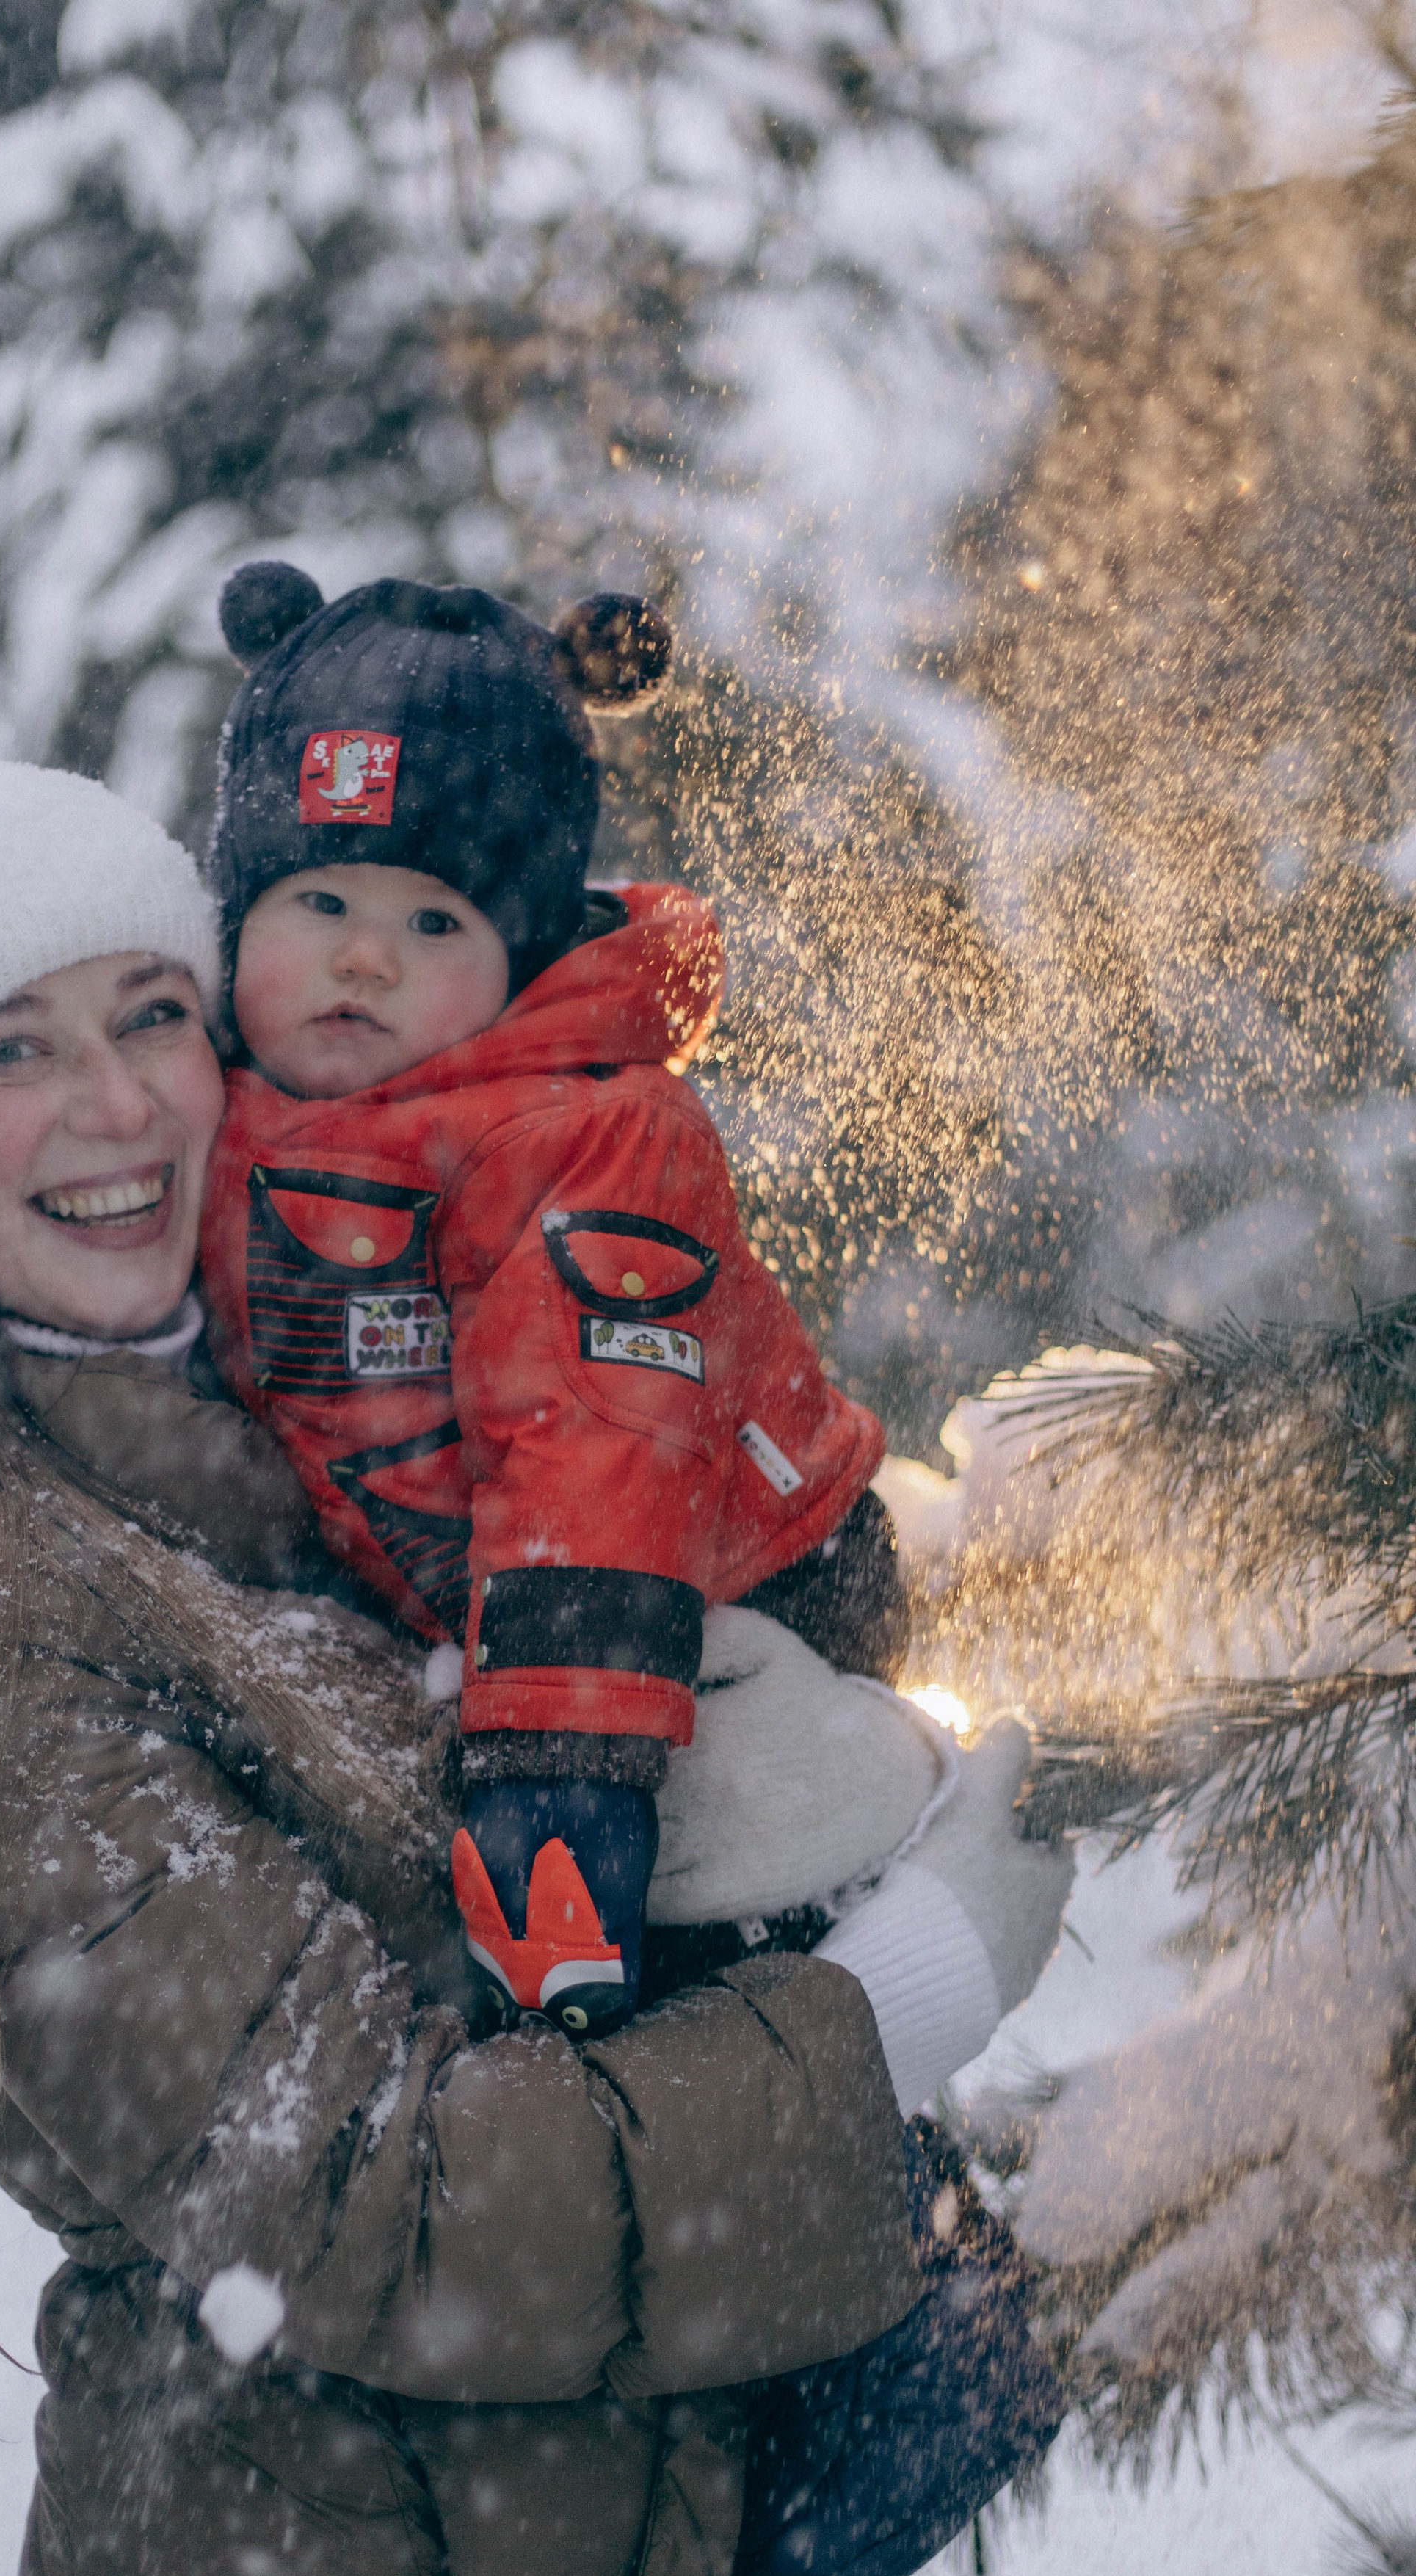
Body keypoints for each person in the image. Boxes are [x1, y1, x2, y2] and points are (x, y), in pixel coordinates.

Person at [0, 747, 1063, 2576]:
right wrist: (893, 2003)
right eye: (11, 1053)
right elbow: (374, 2200)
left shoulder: (338, 1411)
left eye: (153, 1015)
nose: (116, 1107)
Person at [197, 562, 898, 2034]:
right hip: (486, 1608)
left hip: (728, 1585)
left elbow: (598, 1444)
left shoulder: (580, 1125)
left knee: (712, 1979)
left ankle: (890, 2197)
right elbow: (9, 1294)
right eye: (315, 898)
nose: (363, 955)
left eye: (435, 923)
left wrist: (562, 1789)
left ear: (517, 958)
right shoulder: (216, 1112)